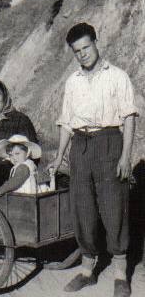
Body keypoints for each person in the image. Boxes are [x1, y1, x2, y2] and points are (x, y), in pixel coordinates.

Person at [48, 22, 138, 297]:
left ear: (96, 42)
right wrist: (59, 155)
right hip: (80, 146)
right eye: (77, 51)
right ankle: (88, 270)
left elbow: (129, 116)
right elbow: (66, 123)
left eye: (86, 47)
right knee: (82, 208)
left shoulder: (117, 76)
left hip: (109, 142)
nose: (83, 54)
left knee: (113, 207)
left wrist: (125, 155)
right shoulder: (72, 81)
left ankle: (121, 274)